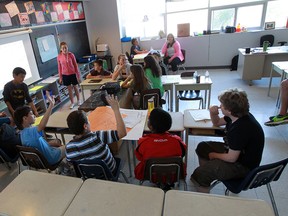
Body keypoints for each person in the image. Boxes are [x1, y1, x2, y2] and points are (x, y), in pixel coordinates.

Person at [190, 88, 264, 193]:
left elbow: (231, 158)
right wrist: (213, 114)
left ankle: (204, 184)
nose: (220, 106)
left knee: (202, 173)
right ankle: (207, 174)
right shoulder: (237, 115)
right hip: (236, 154)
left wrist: (213, 155)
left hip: (243, 166)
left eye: (222, 105)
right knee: (203, 147)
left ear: (229, 110)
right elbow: (217, 123)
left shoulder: (240, 128)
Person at [65, 95, 126, 174]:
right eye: (88, 120)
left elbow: (71, 166)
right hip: (109, 173)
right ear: (85, 126)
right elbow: (122, 133)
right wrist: (116, 110)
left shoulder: (69, 148)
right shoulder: (98, 137)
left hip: (89, 178)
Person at [134, 108, 187, 182]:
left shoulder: (143, 142)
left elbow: (139, 157)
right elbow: (183, 153)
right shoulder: (177, 141)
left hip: (150, 175)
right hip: (174, 174)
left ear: (150, 126)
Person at [13, 91, 65, 165]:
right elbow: (42, 125)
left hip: (42, 159)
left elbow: (36, 146)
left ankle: (64, 165)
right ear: (25, 118)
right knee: (71, 146)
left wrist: (49, 143)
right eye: (31, 114)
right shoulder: (32, 131)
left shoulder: (22, 133)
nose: (34, 115)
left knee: (57, 142)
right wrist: (51, 105)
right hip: (51, 157)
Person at [57, 41, 81, 109]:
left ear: (67, 48)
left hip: (73, 73)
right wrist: (60, 77)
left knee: (75, 87)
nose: (65, 49)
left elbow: (75, 65)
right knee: (69, 89)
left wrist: (78, 75)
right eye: (63, 48)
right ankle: (72, 102)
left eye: (66, 48)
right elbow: (59, 68)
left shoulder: (71, 55)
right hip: (65, 75)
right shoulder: (59, 57)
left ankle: (79, 100)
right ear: (61, 49)